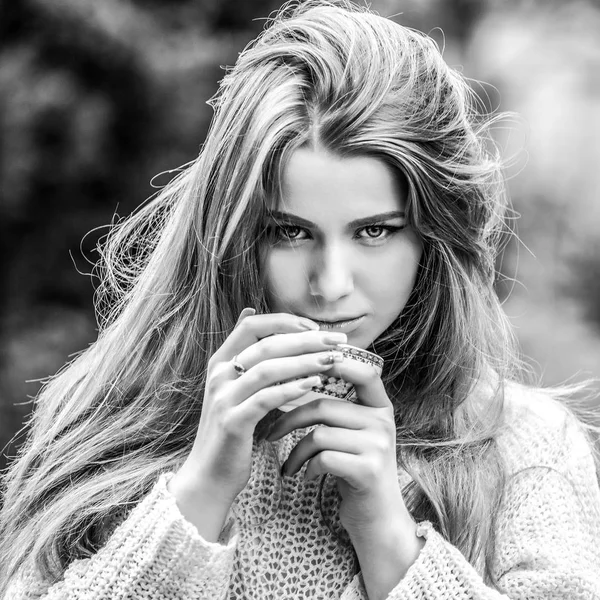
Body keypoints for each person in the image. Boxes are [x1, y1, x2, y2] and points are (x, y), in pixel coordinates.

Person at [1, 1, 599, 598]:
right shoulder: (104, 424)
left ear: (435, 233)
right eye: (290, 231)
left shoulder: (526, 448)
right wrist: (197, 496)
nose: (331, 284)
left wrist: (391, 541)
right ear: (232, 232)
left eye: (375, 231)